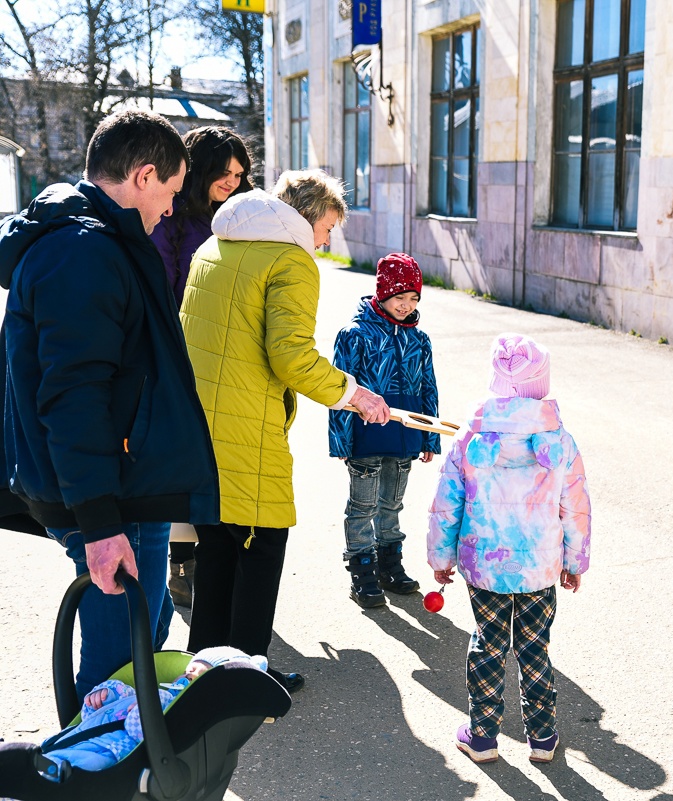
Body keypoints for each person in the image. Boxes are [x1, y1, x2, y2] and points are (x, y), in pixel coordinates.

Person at [0, 110, 221, 702]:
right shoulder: (83, 251)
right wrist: (99, 524)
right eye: (172, 193)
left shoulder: (98, 240)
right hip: (111, 492)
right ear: (145, 176)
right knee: (116, 665)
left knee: (144, 640)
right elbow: (73, 394)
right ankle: (93, 769)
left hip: (127, 481)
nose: (171, 210)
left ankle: (124, 763)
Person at [179, 170, 391, 693]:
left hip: (198, 416)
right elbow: (291, 355)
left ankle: (204, 662)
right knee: (263, 540)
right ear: (310, 214)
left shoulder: (215, 243)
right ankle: (248, 669)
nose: (325, 241)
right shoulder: (289, 259)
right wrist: (353, 394)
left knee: (219, 542)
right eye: (328, 228)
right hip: (246, 419)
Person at [428, 334, 591, 765]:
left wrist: (441, 559)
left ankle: (481, 737)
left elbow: (447, 505)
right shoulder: (559, 439)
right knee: (535, 647)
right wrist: (574, 561)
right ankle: (542, 738)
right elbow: (575, 506)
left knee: (488, 644)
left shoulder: (471, 436)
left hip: (486, 567)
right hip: (539, 567)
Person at [149, 125, 254, 609]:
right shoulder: (174, 218)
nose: (232, 181)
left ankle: (212, 559)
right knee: (183, 463)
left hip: (232, 356)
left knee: (218, 462)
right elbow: (165, 289)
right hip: (183, 356)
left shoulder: (243, 217)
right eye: (223, 171)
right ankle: (180, 562)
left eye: (239, 173)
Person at [330, 252, 440, 608]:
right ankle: (362, 570)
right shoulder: (354, 334)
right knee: (363, 506)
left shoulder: (419, 340)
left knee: (392, 503)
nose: (407, 306)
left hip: (405, 436)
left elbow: (428, 388)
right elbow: (339, 389)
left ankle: (389, 565)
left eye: (413, 299)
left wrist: (429, 435)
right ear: (382, 294)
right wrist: (341, 439)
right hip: (365, 436)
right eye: (400, 298)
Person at [38, 647, 267, 781]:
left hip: (113, 752)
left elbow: (140, 731)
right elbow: (92, 717)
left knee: (70, 772)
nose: (190, 673)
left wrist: (147, 703)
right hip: (83, 736)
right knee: (43, 755)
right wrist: (104, 696)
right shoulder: (155, 692)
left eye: (200, 674)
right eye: (188, 670)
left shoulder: (177, 709)